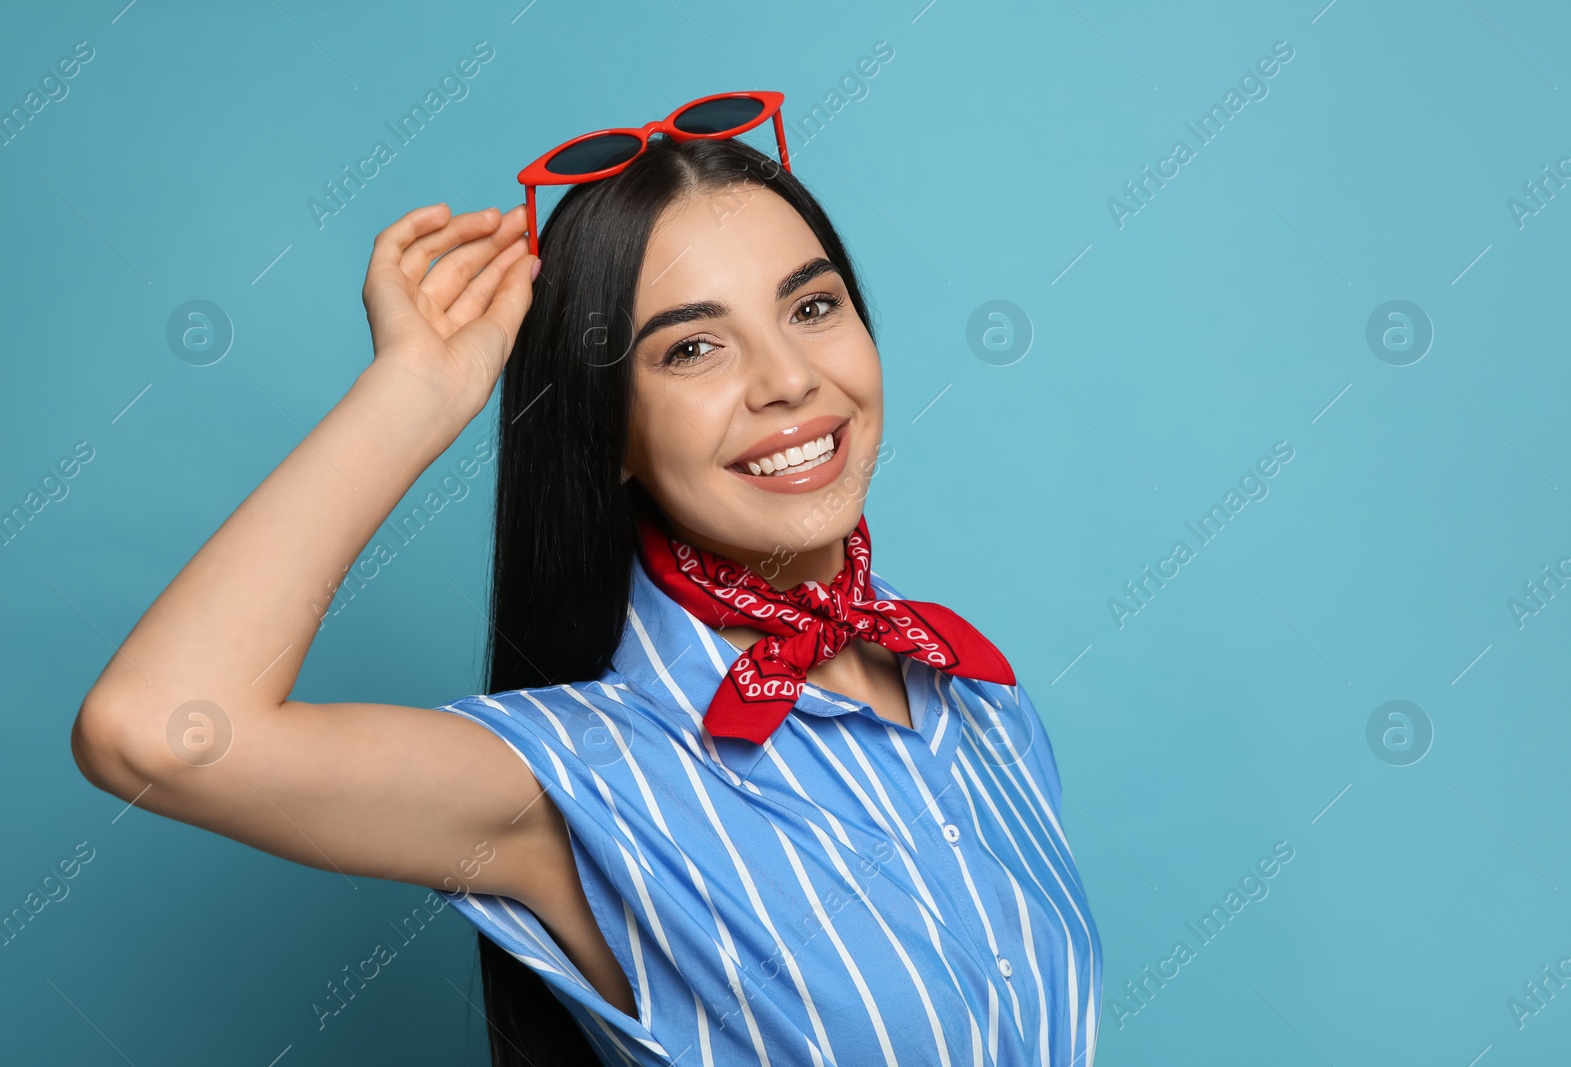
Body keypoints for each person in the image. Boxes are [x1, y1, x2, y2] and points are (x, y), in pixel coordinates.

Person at [70, 127, 1101, 1065]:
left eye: (812, 305)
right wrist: (415, 392)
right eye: (691, 346)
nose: (787, 377)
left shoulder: (975, 696)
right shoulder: (575, 779)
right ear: (605, 431)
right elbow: (156, 733)